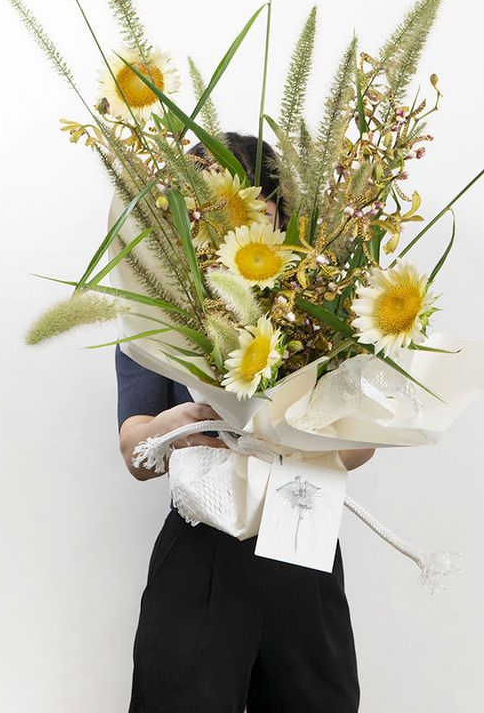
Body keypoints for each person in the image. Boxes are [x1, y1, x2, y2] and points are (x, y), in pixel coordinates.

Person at [116, 133, 374, 713]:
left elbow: (361, 448)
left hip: (302, 539)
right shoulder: (155, 318)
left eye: (258, 210)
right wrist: (179, 424)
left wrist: (291, 440)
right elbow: (134, 451)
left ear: (282, 216)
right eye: (212, 214)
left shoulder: (323, 311)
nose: (234, 229)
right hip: (200, 553)